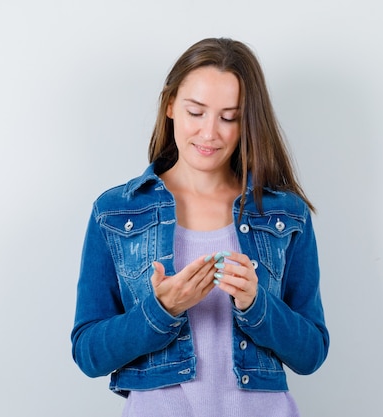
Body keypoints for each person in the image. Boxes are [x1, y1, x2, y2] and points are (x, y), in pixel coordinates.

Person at [71, 37, 329, 417]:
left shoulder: (285, 215)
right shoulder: (115, 212)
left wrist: (257, 305)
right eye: (196, 112)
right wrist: (161, 310)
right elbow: (88, 353)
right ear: (171, 105)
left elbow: (311, 353)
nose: (210, 133)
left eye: (229, 117)